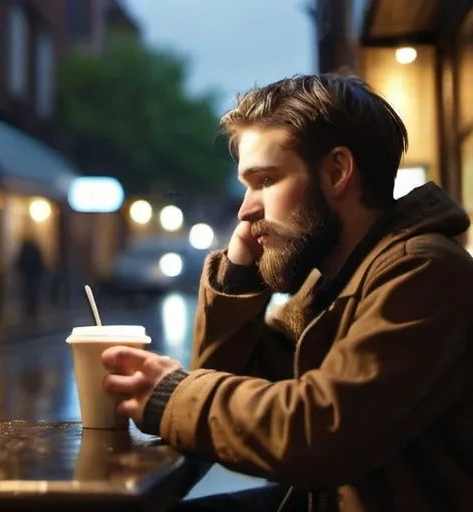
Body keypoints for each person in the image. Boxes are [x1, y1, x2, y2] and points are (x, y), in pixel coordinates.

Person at [101, 74, 473, 511]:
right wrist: (237, 279)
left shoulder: (424, 271)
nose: (245, 209)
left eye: (265, 180)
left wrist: (168, 395)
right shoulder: (333, 279)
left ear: (337, 172)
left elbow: (318, 435)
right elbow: (236, 389)